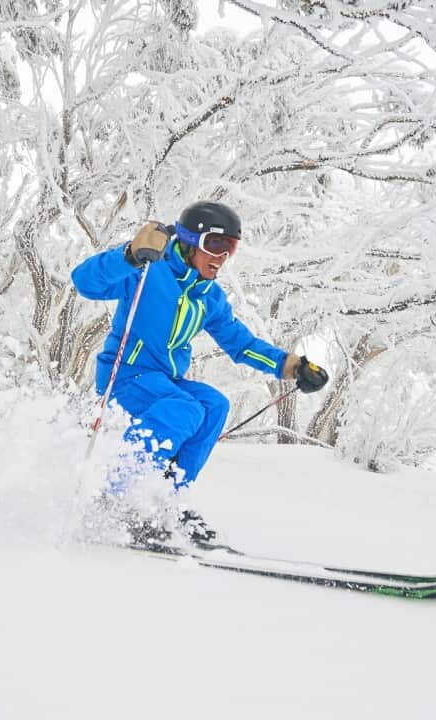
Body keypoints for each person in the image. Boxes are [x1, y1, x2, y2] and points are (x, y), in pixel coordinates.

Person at [70, 201, 329, 545]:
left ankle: (166, 498)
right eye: (215, 244)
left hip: (165, 381)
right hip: (126, 376)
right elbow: (84, 282)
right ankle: (119, 496)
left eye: (230, 248)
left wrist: (291, 365)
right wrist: (130, 254)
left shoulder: (209, 297)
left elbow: (240, 343)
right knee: (185, 409)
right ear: (191, 243)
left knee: (214, 405)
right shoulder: (149, 269)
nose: (222, 256)